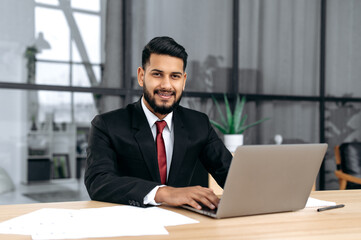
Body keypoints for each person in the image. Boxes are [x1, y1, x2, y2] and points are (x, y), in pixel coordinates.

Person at [85, 36, 232, 210]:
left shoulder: (198, 123)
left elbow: (231, 175)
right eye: (157, 74)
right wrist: (164, 193)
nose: (166, 85)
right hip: (131, 226)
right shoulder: (106, 125)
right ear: (141, 76)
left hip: (184, 224)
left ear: (183, 81)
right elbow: (98, 181)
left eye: (175, 76)